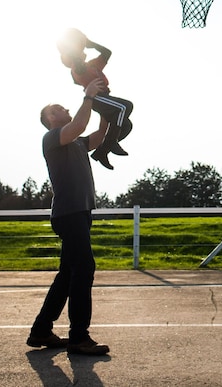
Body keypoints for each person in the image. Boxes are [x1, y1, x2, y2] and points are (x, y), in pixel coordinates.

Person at [26, 76, 110, 356]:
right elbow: (79, 126)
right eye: (61, 108)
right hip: (68, 213)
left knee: (66, 275)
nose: (67, 110)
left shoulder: (75, 142)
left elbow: (97, 136)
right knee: (84, 269)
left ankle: (41, 330)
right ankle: (79, 337)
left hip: (81, 212)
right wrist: (87, 96)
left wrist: (104, 109)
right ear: (51, 116)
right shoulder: (53, 138)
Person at [57, 28, 134, 170]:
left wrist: (90, 43)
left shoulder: (93, 65)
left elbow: (107, 53)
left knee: (127, 125)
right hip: (97, 99)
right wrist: (74, 44)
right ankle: (110, 143)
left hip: (106, 99)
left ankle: (102, 151)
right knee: (125, 107)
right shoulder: (76, 69)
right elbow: (76, 61)